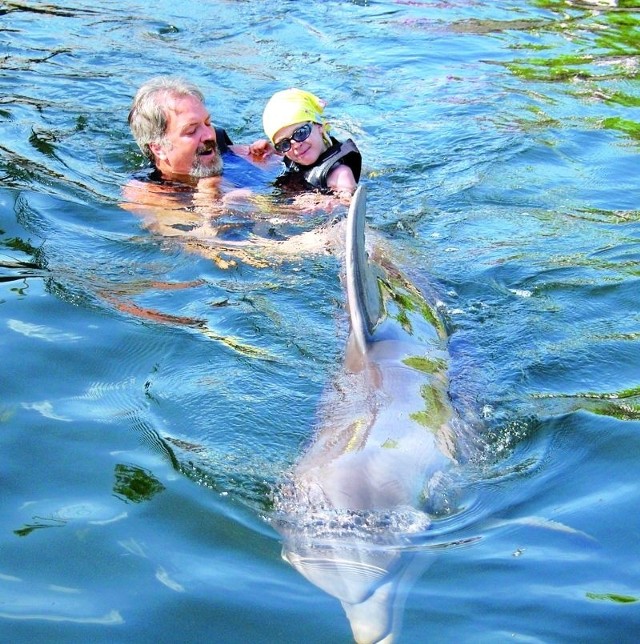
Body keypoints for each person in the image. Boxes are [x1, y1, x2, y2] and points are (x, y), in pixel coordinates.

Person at [262, 88, 362, 204]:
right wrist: (270, 151)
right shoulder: (289, 155)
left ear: (320, 127)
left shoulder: (340, 174)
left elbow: (347, 203)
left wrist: (321, 201)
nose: (295, 145)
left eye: (300, 133)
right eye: (284, 144)